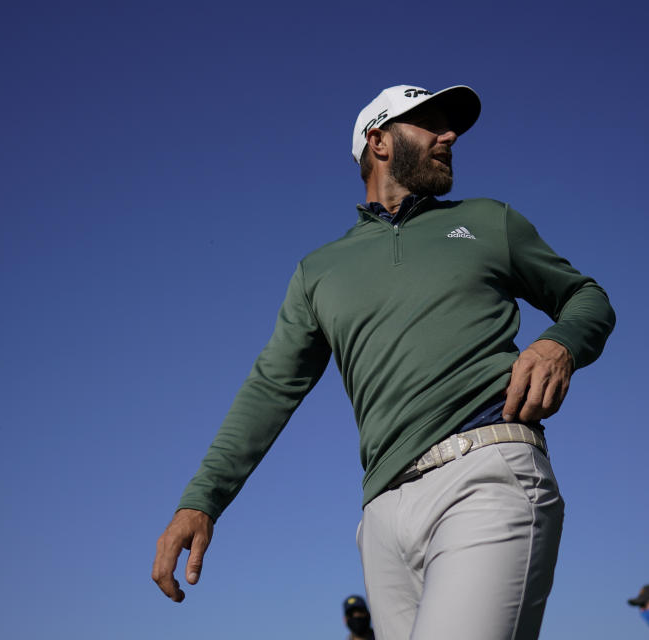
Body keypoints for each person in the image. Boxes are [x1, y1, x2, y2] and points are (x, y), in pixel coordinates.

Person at [152, 84, 616, 640]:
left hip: (486, 473)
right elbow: (271, 389)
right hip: (382, 517)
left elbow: (586, 297)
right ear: (379, 141)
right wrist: (201, 501)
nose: (449, 136)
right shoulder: (318, 271)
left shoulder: (491, 222)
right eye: (430, 125)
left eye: (452, 128)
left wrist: (558, 343)